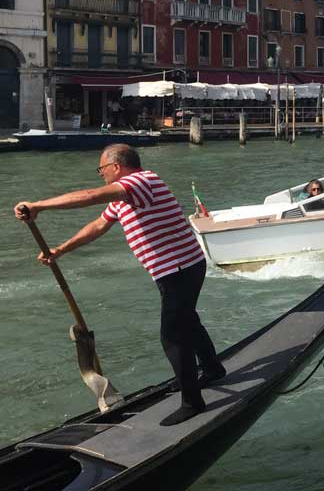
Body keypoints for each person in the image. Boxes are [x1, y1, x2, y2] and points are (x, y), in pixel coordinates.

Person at [13, 144, 224, 427]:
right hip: (176, 269)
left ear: (116, 166)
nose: (100, 175)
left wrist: (39, 205)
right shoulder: (124, 198)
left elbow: (90, 197)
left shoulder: (140, 181)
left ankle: (192, 402)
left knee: (172, 335)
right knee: (187, 320)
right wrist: (59, 250)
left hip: (180, 268)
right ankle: (212, 369)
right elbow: (98, 226)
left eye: (101, 169)